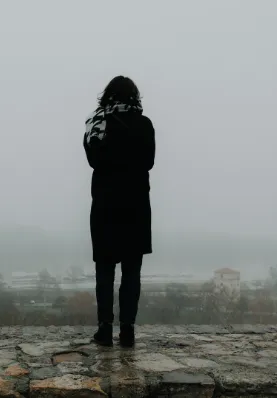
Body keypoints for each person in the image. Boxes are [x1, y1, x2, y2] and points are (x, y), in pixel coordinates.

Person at [83, 76, 155, 347]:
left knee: (104, 268)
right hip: (136, 205)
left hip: (105, 205)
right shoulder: (144, 124)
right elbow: (148, 162)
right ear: (135, 96)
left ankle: (104, 329)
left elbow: (94, 160)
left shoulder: (98, 124)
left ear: (107, 96)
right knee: (132, 271)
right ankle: (127, 331)